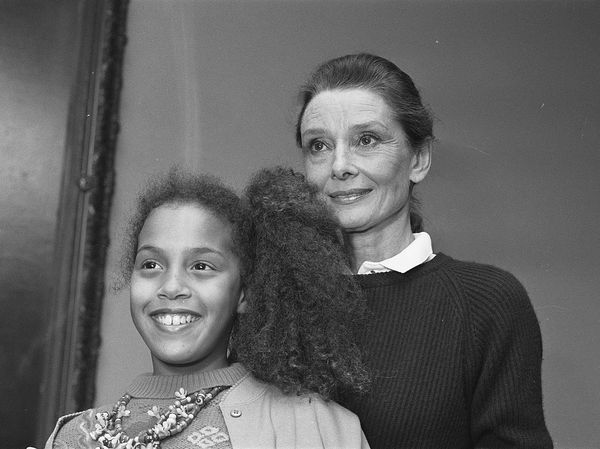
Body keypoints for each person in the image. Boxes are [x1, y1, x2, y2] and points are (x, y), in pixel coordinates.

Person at [295, 53, 553, 448]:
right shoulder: (275, 300)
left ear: (419, 159)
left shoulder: (486, 302)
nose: (339, 165)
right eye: (319, 145)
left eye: (367, 140)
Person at [45, 167, 370, 449]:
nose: (171, 286)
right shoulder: (72, 437)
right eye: (151, 264)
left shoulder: (315, 427)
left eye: (201, 266)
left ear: (245, 293)